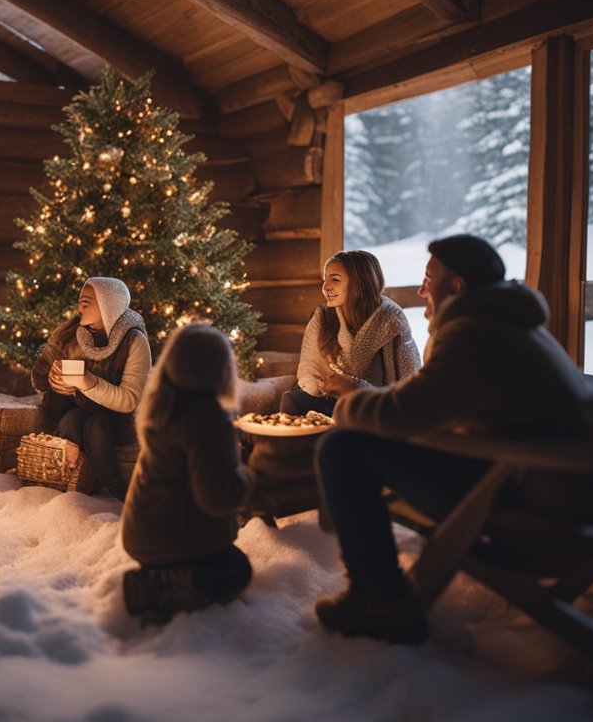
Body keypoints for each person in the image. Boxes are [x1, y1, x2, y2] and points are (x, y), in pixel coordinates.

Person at [313, 234, 593, 644]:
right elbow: (429, 402)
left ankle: (378, 598)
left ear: (455, 286)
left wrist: (350, 404)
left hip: (533, 504)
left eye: (428, 278)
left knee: (342, 449)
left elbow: (404, 414)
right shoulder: (510, 325)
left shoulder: (473, 332)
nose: (421, 290)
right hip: (560, 489)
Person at [120, 323, 257, 626]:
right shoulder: (208, 419)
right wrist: (252, 478)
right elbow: (215, 498)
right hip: (173, 538)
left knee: (228, 558)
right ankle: (167, 587)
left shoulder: (163, 405)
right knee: (237, 570)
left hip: (140, 533)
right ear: (220, 370)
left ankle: (158, 574)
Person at [30, 277, 151, 500]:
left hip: (117, 419)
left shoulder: (134, 341)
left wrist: (87, 382)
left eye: (87, 303)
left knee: (96, 426)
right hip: (80, 408)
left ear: (108, 305)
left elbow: (128, 401)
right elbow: (39, 378)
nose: (79, 308)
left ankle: (120, 493)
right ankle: (72, 483)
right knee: (71, 419)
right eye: (80, 301)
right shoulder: (70, 333)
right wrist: (55, 380)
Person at [281, 250, 420, 416]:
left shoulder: (390, 319)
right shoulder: (323, 316)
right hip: (329, 399)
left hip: (372, 403)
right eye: (325, 279)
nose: (326, 287)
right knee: (292, 400)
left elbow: (409, 378)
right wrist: (322, 390)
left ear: (360, 283)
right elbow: (309, 369)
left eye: (335, 279)